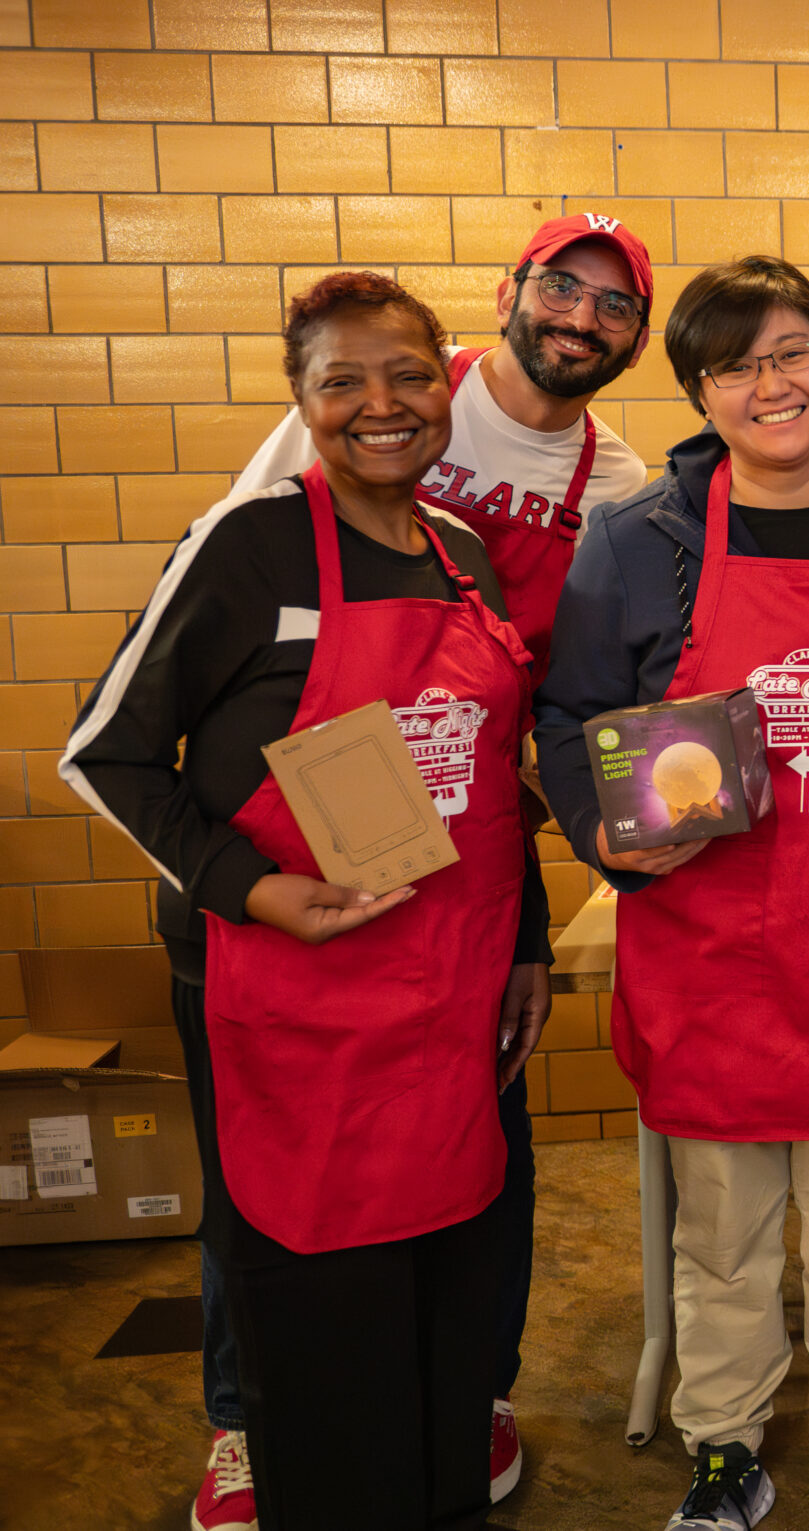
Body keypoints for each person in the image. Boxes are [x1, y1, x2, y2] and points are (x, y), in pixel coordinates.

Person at [60, 272, 547, 1531]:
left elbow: (492, 782)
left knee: (444, 1303)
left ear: (448, 383)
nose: (379, 405)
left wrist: (530, 947)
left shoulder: (469, 555)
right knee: (321, 1319)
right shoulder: (247, 544)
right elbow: (103, 752)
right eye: (342, 382)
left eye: (406, 375)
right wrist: (251, 887)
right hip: (292, 1001)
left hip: (449, 998)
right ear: (303, 403)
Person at [209, 211, 656, 1521]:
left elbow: (589, 684)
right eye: (560, 286)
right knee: (276, 1148)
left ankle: (468, 1386)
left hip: (466, 840)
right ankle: (248, 1415)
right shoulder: (393, 385)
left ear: (632, 335)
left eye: (612, 303)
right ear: (512, 291)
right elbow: (242, 565)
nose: (580, 315)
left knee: (478, 1149)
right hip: (302, 832)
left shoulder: (614, 481)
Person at [535, 255, 809, 1531]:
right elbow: (568, 715)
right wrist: (608, 840)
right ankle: (723, 1444)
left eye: (793, 351)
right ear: (698, 392)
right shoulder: (640, 540)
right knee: (721, 1233)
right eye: (734, 364)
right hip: (710, 944)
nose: (769, 383)